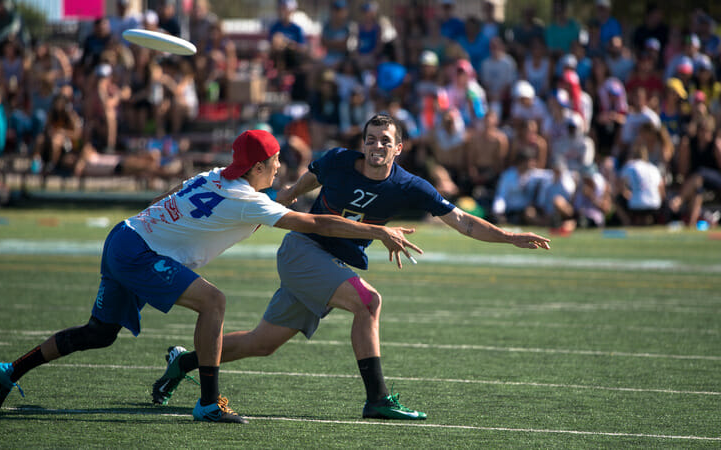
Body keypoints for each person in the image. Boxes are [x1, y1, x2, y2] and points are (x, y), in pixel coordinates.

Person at [0, 129, 423, 424]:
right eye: (272, 162)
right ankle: (209, 403)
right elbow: (318, 224)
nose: (277, 169)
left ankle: (11, 369)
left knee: (99, 334)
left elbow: (169, 195)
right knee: (213, 302)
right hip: (137, 250)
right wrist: (377, 230)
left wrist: (147, 224)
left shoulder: (217, 175)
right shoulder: (249, 200)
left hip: (124, 237)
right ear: (256, 168)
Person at [149, 114, 550, 421]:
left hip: (329, 262)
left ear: (399, 148)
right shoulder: (339, 161)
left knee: (261, 343)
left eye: (385, 141)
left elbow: (462, 220)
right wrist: (284, 198)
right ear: (363, 143)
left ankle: (183, 362)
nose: (377, 146)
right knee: (368, 301)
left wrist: (510, 237)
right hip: (303, 250)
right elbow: (307, 181)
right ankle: (377, 399)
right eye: (371, 139)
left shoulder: (410, 185)